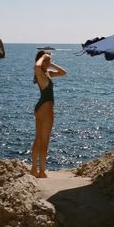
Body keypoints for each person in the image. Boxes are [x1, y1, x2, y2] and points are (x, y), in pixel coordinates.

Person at [31, 50, 67, 178]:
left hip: (41, 108)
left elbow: (64, 73)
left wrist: (50, 63)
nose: (48, 62)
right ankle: (42, 171)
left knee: (39, 138)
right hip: (45, 109)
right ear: (40, 60)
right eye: (46, 60)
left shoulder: (47, 73)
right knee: (44, 141)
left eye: (49, 60)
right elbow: (36, 66)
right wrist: (44, 58)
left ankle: (34, 169)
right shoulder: (40, 72)